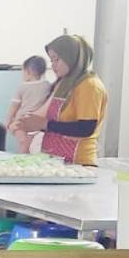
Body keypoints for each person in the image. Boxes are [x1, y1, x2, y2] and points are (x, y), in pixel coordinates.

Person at [17, 35, 107, 166]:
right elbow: (54, 120)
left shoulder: (89, 85)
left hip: (78, 163)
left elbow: (86, 128)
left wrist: (45, 124)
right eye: (51, 60)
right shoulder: (64, 84)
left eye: (56, 60)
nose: (53, 66)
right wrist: (28, 124)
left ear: (71, 58)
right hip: (55, 159)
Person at [5, 55, 53, 153]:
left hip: (21, 121)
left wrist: (8, 120)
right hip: (37, 122)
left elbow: (14, 106)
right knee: (29, 144)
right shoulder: (47, 85)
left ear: (28, 72)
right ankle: (26, 160)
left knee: (23, 143)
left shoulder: (22, 87)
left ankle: (21, 160)